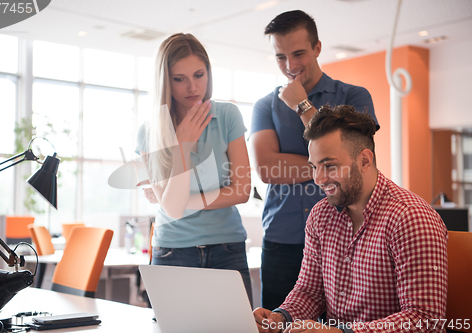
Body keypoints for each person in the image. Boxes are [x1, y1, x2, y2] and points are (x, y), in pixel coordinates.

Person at [253, 105, 448, 333]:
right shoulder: (320, 216)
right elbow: (310, 292)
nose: (318, 179)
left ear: (364, 161)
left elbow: (425, 319)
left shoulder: (410, 218)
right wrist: (280, 318)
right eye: (314, 167)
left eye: (329, 165)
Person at [249, 10, 379, 310]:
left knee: (334, 324)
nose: (290, 66)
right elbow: (268, 169)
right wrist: (332, 162)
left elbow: (357, 160)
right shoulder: (264, 106)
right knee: (278, 323)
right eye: (281, 57)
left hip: (345, 234)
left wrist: (302, 106)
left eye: (298, 54)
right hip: (283, 237)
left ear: (318, 47)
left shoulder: (355, 96)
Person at [135, 33, 253, 305]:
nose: (192, 87)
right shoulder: (149, 132)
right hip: (173, 252)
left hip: (227, 247)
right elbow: (172, 210)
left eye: (199, 75)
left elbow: (242, 191)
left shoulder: (227, 115)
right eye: (180, 79)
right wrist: (183, 145)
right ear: (165, 81)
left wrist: (180, 201)